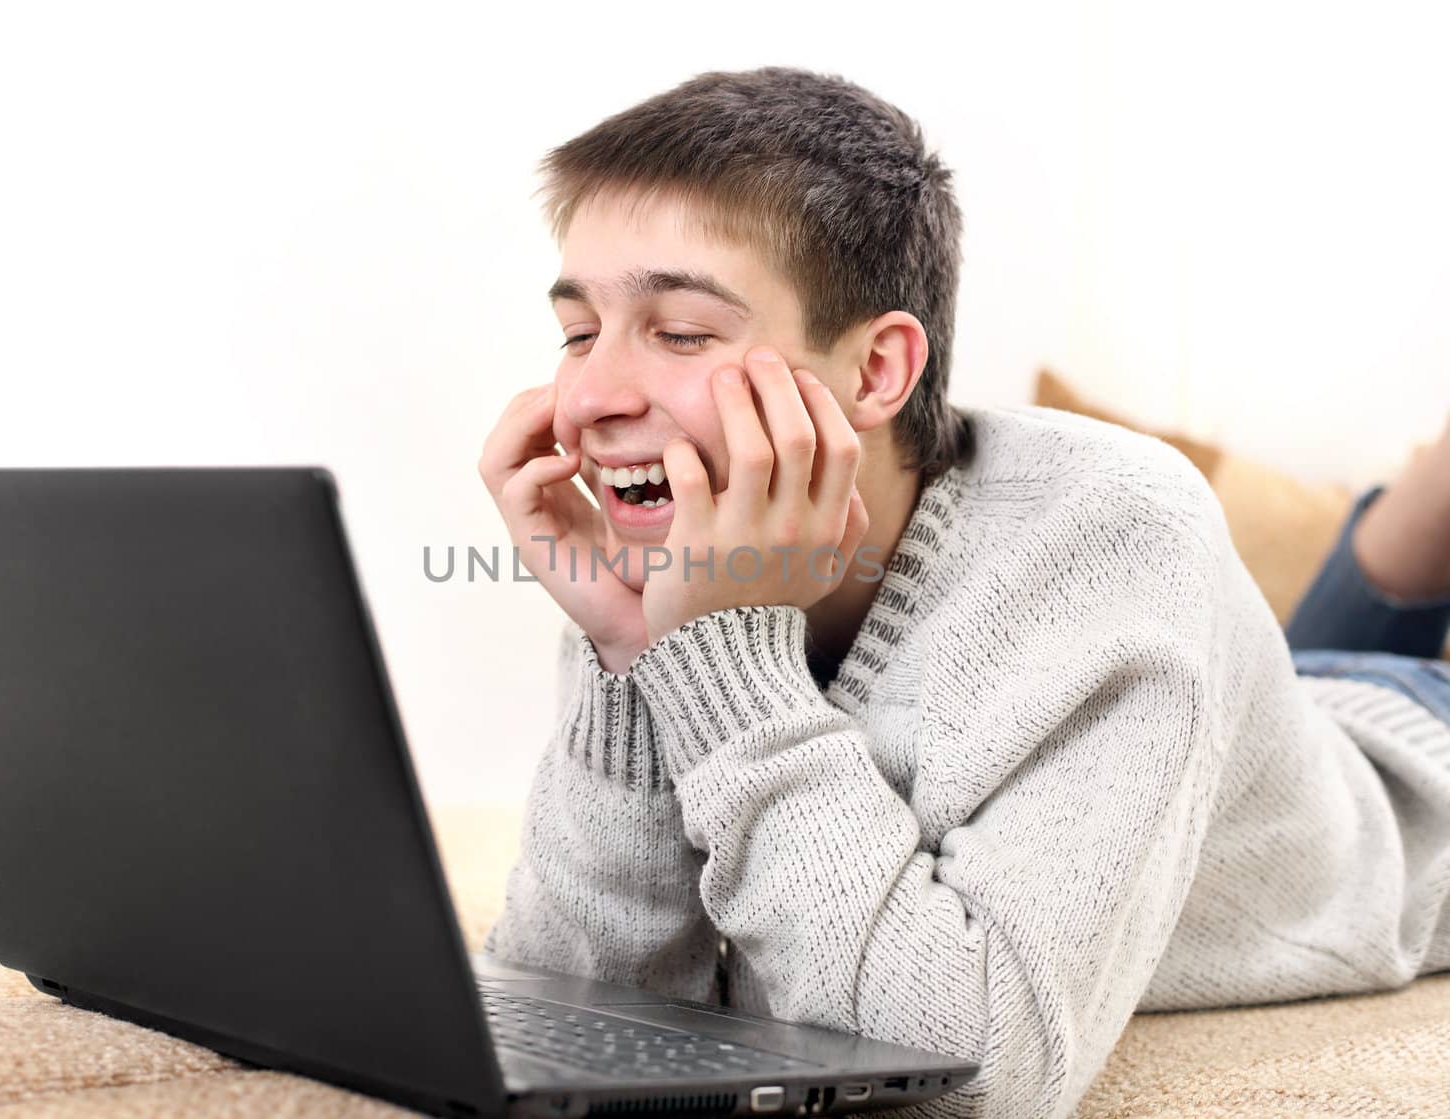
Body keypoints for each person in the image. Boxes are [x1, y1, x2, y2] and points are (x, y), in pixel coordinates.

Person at [474, 66, 1450, 1119]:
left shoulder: (1114, 525)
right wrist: (633, 658)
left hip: (1401, 778)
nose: (589, 398)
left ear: (878, 370)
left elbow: (960, 1076)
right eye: (578, 333)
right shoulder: (686, 561)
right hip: (1255, 705)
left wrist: (718, 660)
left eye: (680, 331)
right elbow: (583, 1010)